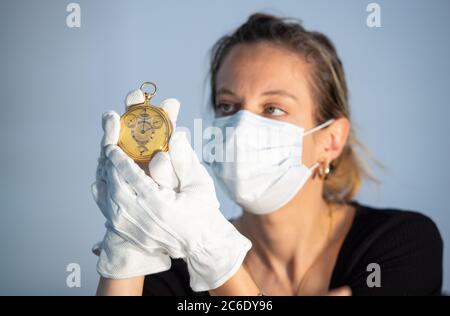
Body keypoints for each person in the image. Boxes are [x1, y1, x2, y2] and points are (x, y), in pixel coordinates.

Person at [92, 13, 443, 296]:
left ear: (331, 141)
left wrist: (214, 253)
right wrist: (129, 243)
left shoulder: (400, 246)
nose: (242, 127)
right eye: (227, 105)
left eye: (273, 108)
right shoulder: (176, 269)